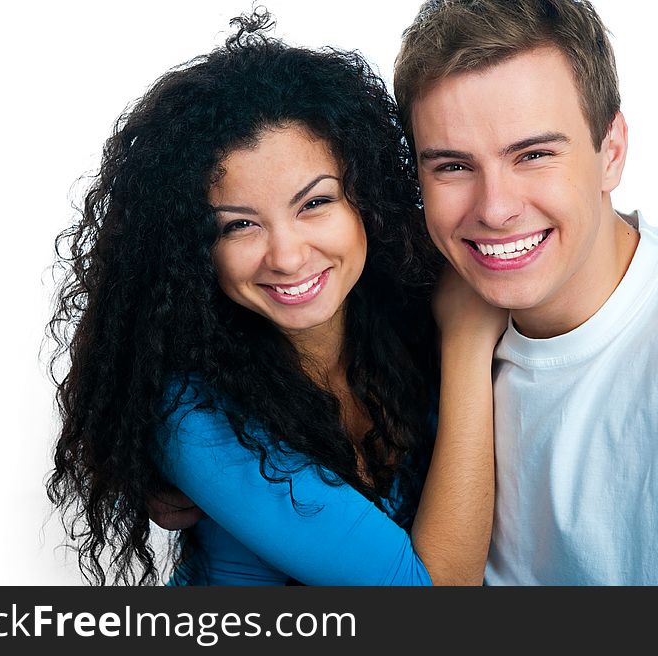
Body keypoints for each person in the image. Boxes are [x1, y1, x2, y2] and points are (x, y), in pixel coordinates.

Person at [46, 11, 503, 586]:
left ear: (369, 198)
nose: (286, 256)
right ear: (194, 251)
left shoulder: (405, 313)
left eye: (314, 204)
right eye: (239, 226)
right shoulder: (192, 413)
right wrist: (466, 340)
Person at [394, 0, 658, 584]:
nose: (495, 209)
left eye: (533, 155)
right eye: (453, 166)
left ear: (613, 153)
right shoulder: (419, 319)